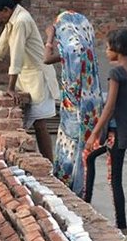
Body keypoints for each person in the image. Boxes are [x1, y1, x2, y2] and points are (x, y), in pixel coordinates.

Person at [0, 0, 59, 161]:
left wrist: (10, 88)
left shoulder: (21, 21)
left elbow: (17, 55)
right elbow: (2, 45)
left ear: (6, 10)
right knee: (31, 123)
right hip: (27, 77)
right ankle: (42, 163)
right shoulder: (12, 19)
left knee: (40, 124)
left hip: (38, 77)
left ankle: (48, 165)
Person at [83, 28, 127, 232]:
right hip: (126, 130)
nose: (106, 52)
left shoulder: (116, 72)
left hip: (115, 134)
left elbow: (110, 106)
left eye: (108, 48)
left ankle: (121, 227)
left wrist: (94, 134)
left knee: (114, 179)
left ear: (118, 49)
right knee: (91, 160)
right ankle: (85, 204)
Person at [43, 11, 103, 198]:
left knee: (71, 149)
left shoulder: (72, 51)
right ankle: (81, 190)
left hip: (75, 110)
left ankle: (72, 191)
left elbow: (46, 59)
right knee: (82, 152)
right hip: (88, 110)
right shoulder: (85, 49)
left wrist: (49, 37)